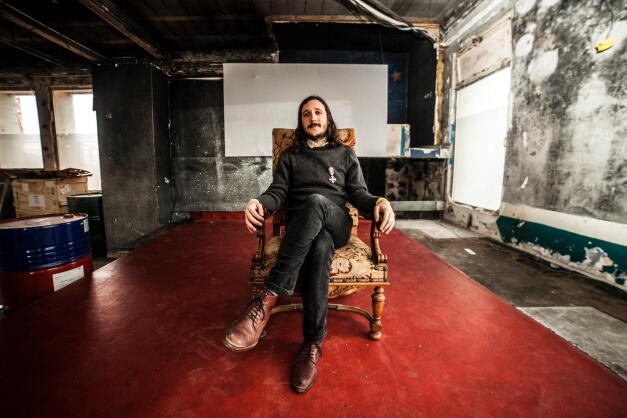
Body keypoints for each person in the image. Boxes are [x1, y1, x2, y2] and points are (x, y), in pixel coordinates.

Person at [223, 95, 395, 393]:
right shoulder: (291, 157)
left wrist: (380, 201)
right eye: (306, 114)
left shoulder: (344, 153)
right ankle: (313, 345)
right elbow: (277, 193)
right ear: (301, 122)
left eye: (318, 112)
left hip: (337, 223)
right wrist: (258, 202)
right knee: (319, 247)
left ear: (327, 118)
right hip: (304, 230)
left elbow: (359, 194)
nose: (313, 118)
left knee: (317, 202)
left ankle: (267, 297)